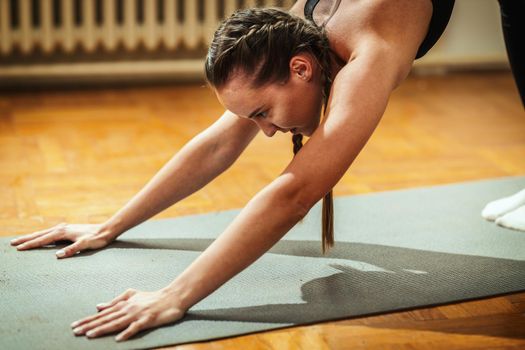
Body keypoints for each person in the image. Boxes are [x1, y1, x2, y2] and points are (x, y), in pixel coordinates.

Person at [8, 0, 524, 342]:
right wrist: (110, 225)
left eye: (262, 113)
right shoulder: (294, 26)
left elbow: (295, 193)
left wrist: (175, 295)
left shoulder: (369, 52)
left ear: (301, 68)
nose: (269, 131)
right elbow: (216, 145)